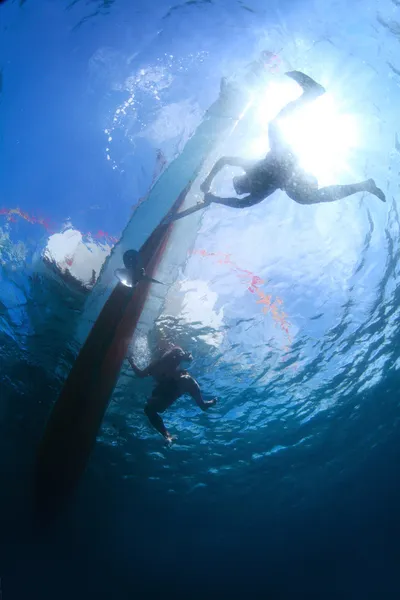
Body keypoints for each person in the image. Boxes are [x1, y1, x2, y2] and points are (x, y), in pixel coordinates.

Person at [171, 71, 385, 224]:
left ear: (243, 180)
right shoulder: (256, 190)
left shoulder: (251, 170)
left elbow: (225, 162)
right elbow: (240, 202)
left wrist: (210, 184)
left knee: (274, 125)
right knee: (302, 197)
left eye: (241, 184)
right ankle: (363, 185)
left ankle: (310, 94)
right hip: (292, 168)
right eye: (242, 186)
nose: (245, 183)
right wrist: (214, 195)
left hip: (286, 158)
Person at [128, 346, 216, 443]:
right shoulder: (155, 365)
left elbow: (187, 359)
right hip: (162, 392)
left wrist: (188, 356)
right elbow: (141, 374)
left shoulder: (176, 363)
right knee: (148, 409)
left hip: (174, 388)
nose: (172, 366)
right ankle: (166, 435)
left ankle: (202, 404)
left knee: (187, 379)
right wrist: (132, 362)